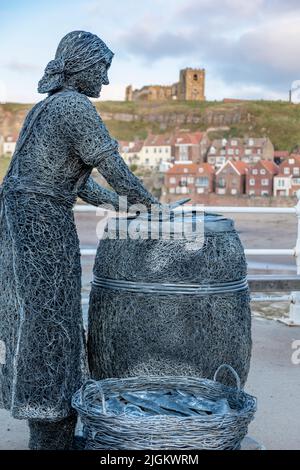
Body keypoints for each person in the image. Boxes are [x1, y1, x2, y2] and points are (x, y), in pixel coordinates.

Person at [0, 30, 161, 450]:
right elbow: (113, 166)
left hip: (26, 218)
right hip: (40, 222)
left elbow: (81, 184)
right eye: (102, 70)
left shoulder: (46, 107)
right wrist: (149, 205)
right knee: (49, 323)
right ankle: (49, 432)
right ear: (83, 66)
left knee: (41, 319)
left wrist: (125, 206)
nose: (106, 82)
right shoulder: (74, 106)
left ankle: (50, 425)